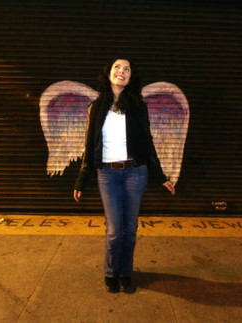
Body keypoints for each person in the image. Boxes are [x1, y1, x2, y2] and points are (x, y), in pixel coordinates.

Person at [73, 58, 175, 293]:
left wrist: (160, 176)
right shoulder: (96, 108)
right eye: (117, 67)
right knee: (114, 230)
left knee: (130, 229)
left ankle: (125, 272)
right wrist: (82, 179)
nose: (122, 71)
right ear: (108, 73)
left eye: (127, 69)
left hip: (135, 173)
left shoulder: (138, 106)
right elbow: (90, 145)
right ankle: (111, 272)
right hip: (107, 174)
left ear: (131, 77)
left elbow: (148, 143)